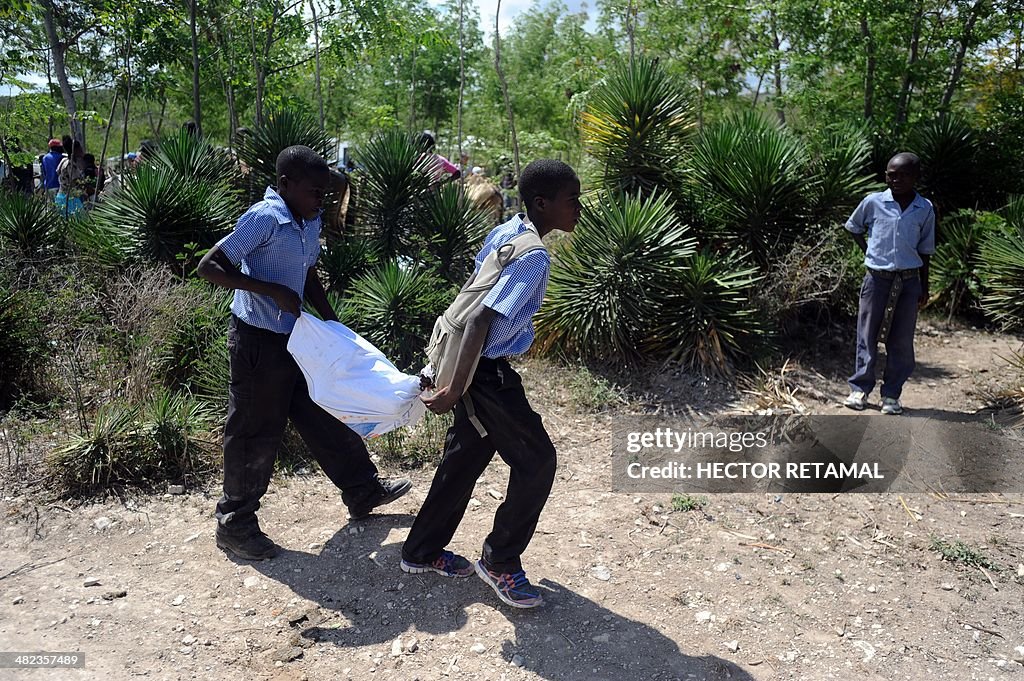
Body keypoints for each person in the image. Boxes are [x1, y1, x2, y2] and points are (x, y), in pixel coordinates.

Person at [196, 145, 412, 561]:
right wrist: (271, 290)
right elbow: (211, 266)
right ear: (285, 185)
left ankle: (362, 490)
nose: (321, 200)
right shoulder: (265, 218)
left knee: (325, 411)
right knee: (254, 430)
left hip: (297, 338)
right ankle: (235, 523)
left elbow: (309, 272)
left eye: (325, 193)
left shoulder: (307, 221)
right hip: (257, 340)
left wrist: (332, 323)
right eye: (314, 191)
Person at [400, 159, 582, 608]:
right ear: (543, 203)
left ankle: (420, 551)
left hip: (472, 364)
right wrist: (455, 389)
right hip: (484, 374)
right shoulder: (535, 257)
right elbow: (482, 318)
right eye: (571, 200)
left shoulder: (509, 232)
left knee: (467, 454)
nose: (578, 208)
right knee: (538, 461)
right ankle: (500, 561)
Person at [843, 152, 935, 415]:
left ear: (916, 177)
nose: (895, 179)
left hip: (908, 282)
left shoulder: (924, 208)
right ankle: (860, 389)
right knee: (867, 334)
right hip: (877, 279)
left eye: (903, 175)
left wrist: (924, 287)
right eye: (891, 174)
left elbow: (926, 251)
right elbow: (853, 227)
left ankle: (892, 394)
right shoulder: (873, 201)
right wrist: (870, 251)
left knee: (901, 339)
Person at [55, 139, 85, 216]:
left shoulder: (64, 161)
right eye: (79, 148)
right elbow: (74, 182)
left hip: (61, 196)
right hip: (69, 199)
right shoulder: (70, 165)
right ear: (75, 150)